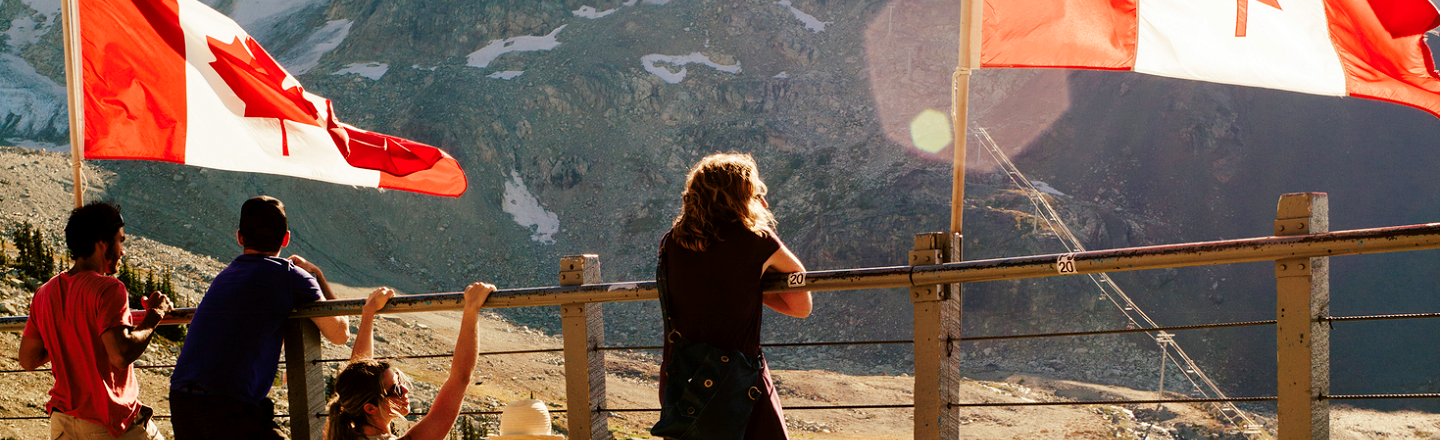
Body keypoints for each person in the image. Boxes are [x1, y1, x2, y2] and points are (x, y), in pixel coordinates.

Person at [169, 196, 351, 439]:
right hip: (228, 403)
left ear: (240, 237)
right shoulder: (291, 276)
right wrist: (317, 274)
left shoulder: (226, 275)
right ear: (286, 238)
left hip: (182, 398)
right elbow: (340, 334)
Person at [659, 153, 812, 439]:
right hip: (739, 383)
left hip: (683, 382)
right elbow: (801, 305)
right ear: (742, 196)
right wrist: (754, 288)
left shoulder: (671, 242)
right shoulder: (756, 239)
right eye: (755, 192)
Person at [17, 201, 171, 439]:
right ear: (102, 243)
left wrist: (69, 333)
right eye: (120, 241)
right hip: (109, 423)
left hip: (63, 423)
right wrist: (155, 315)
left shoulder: (44, 293)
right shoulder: (109, 288)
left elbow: (27, 359)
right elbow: (120, 355)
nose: (122, 251)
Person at [325, 281, 494, 440]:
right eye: (396, 389)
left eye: (400, 381)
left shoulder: (343, 434)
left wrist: (369, 312)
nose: (405, 389)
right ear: (370, 408)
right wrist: (472, 308)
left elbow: (359, 375)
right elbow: (460, 378)